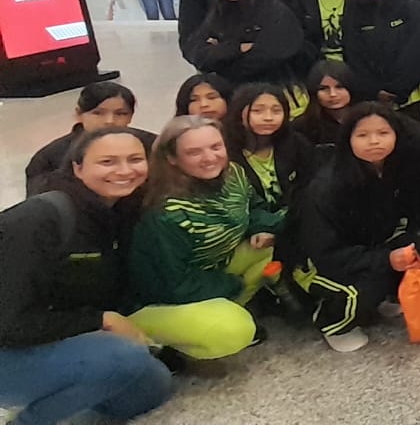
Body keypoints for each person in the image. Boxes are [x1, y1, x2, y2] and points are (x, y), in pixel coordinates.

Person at [0, 129, 173, 424]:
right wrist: (98, 320)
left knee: (152, 387)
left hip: (53, 332)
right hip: (9, 345)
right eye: (107, 162)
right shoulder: (40, 219)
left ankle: (63, 392)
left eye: (135, 159)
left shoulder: (118, 213)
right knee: (123, 357)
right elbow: (9, 323)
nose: (124, 170)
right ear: (77, 168)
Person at [290, 103, 420, 352]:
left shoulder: (395, 166)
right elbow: (325, 255)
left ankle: (381, 295)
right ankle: (333, 321)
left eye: (383, 133)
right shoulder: (326, 187)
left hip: (373, 245)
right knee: (365, 290)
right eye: (362, 135)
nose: (374, 142)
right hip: (319, 263)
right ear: (347, 138)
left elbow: (416, 205)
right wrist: (385, 260)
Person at [127, 117, 278, 361]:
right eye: (194, 152)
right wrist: (233, 284)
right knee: (234, 330)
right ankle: (155, 339)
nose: (209, 157)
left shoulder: (234, 174)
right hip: (163, 297)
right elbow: (170, 286)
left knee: (276, 245)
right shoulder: (166, 213)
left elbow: (254, 206)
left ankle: (222, 309)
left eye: (216, 147)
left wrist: (260, 227)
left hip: (212, 269)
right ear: (172, 158)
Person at [180, 0, 306, 107]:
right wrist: (236, 48)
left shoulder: (276, 13)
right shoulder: (218, 12)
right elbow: (195, 52)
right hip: (229, 102)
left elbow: (268, 58)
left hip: (275, 99)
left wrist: (218, 58)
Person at [26, 82, 157, 197]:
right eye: (98, 113)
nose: (109, 121)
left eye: (121, 113)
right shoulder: (50, 157)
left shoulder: (153, 145)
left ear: (131, 116)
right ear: (79, 114)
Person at [225, 84, 316, 221]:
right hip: (248, 223)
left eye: (276, 111)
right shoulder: (225, 151)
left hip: (295, 218)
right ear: (239, 113)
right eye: (257, 111)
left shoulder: (297, 143)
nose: (268, 117)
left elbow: (309, 189)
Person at [296, 59, 356, 161]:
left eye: (339, 87)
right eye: (323, 88)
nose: (333, 94)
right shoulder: (302, 126)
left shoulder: (366, 118)